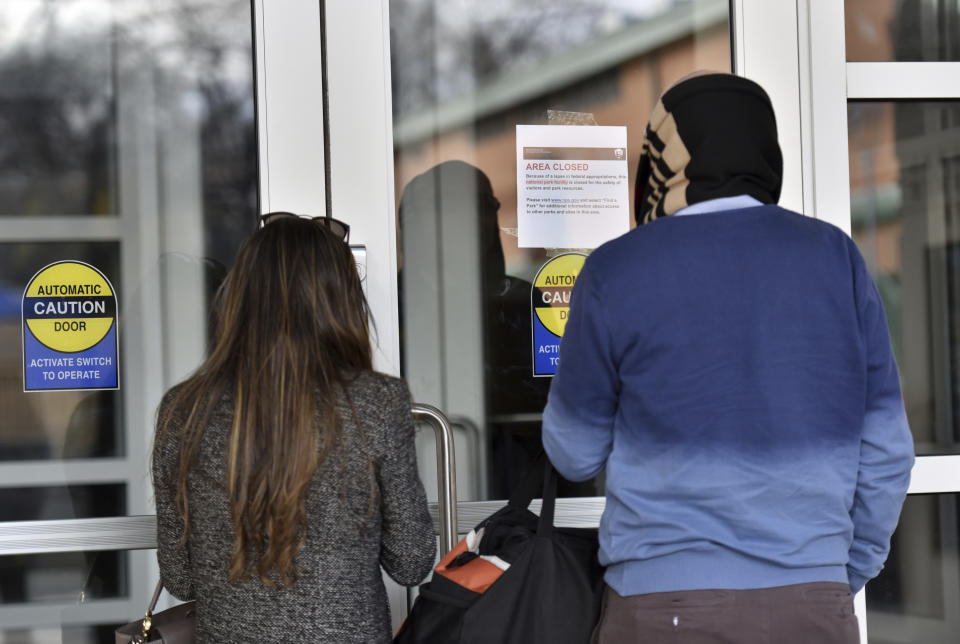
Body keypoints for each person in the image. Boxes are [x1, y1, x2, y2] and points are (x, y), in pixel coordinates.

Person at [542, 72, 914, 643]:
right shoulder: (835, 257)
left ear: (663, 154)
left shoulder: (618, 269)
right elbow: (887, 451)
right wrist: (838, 570)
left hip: (662, 604)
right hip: (812, 600)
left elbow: (573, 453)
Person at [152, 213, 436, 642]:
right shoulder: (377, 403)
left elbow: (182, 580)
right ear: (340, 298)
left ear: (240, 296)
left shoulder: (185, 408)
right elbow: (411, 561)